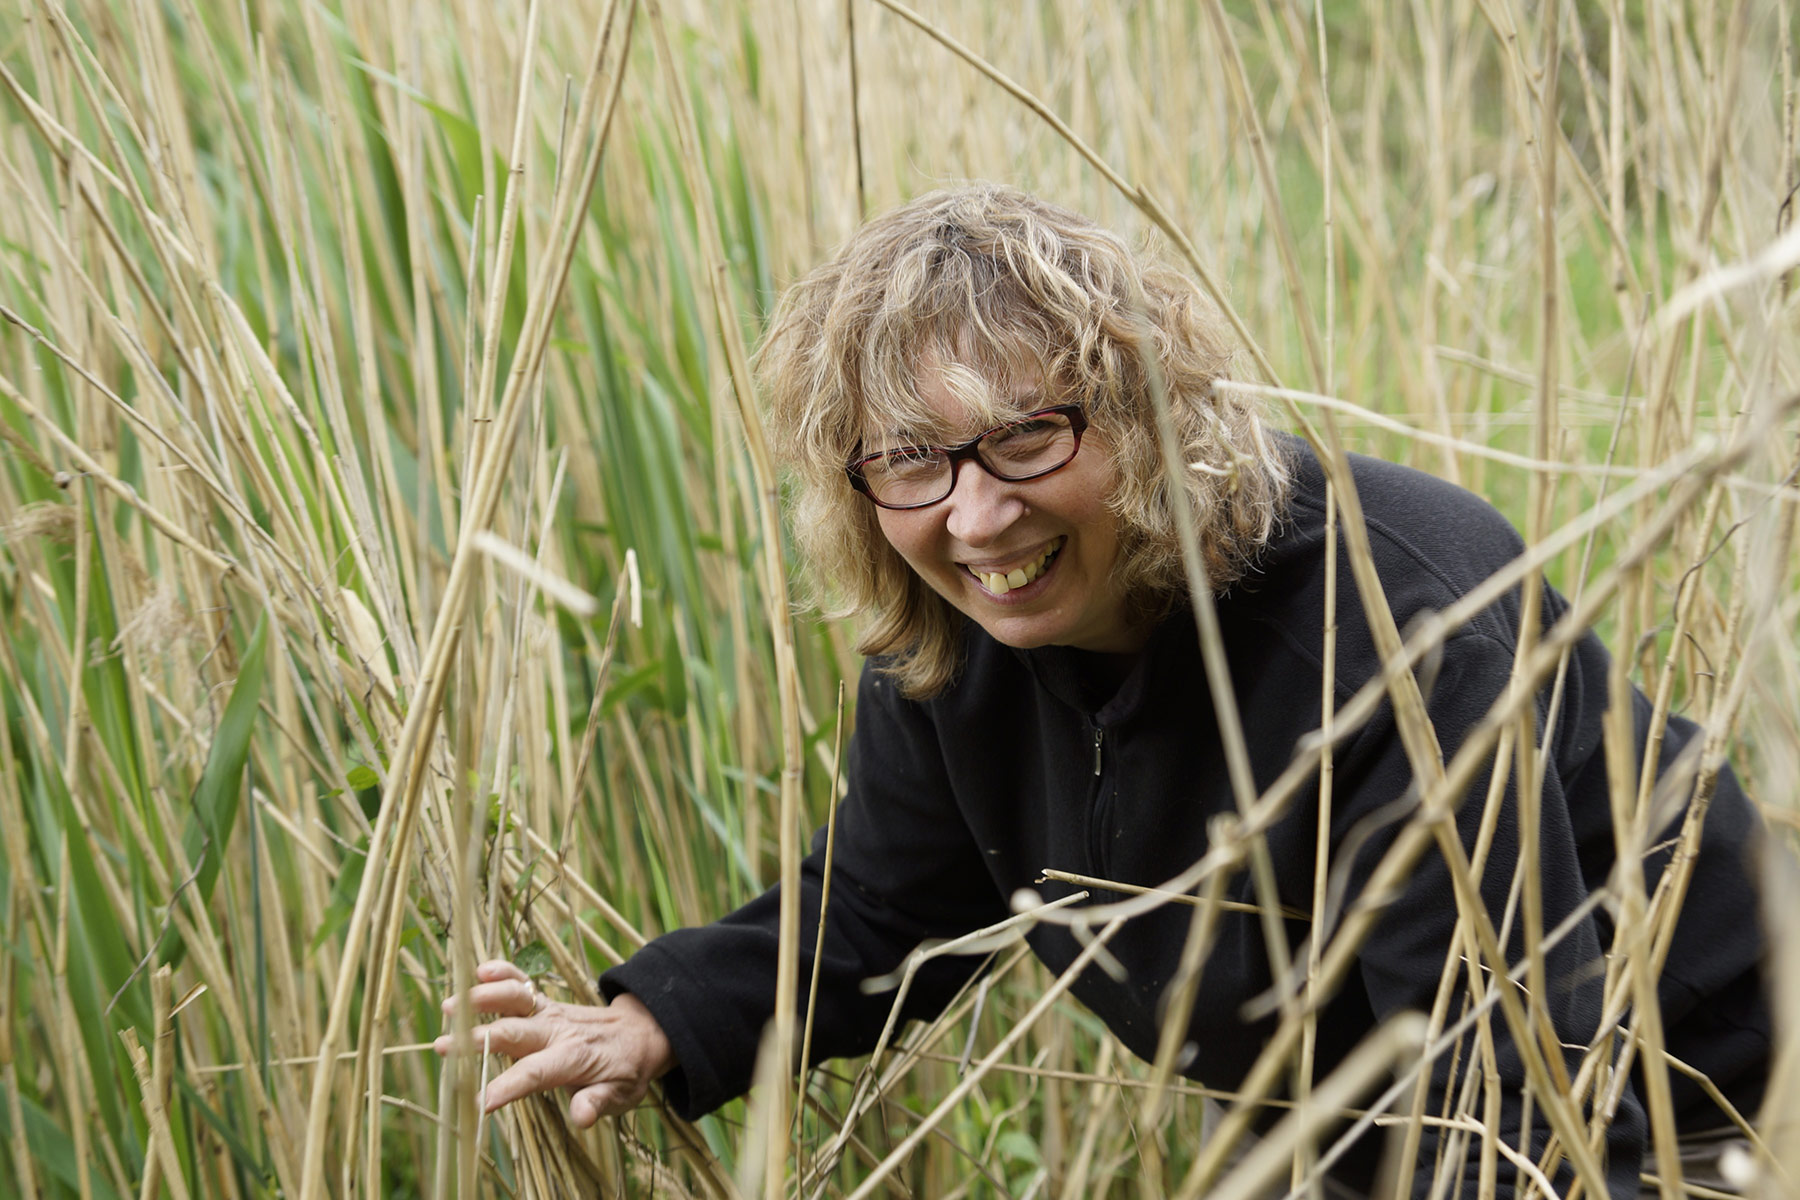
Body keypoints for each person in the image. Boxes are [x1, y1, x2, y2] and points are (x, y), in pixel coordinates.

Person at [437, 185, 1770, 1197]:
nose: (975, 517)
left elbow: (1498, 1103)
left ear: (1141, 414)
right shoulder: (952, 645)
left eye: (1024, 436)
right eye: (908, 460)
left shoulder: (1392, 628)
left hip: (1703, 1109)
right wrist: (653, 1020)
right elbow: (879, 907)